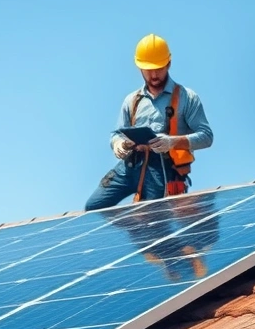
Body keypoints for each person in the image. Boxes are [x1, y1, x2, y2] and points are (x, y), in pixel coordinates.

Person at [84, 34, 214, 210]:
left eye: (158, 68)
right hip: (130, 165)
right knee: (93, 207)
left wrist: (172, 142)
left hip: (162, 169)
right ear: (139, 68)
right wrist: (118, 144)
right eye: (148, 69)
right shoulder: (132, 100)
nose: (154, 74)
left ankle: (142, 225)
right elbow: (116, 134)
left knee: (151, 216)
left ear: (168, 64)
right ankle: (134, 225)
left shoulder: (187, 98)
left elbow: (206, 136)